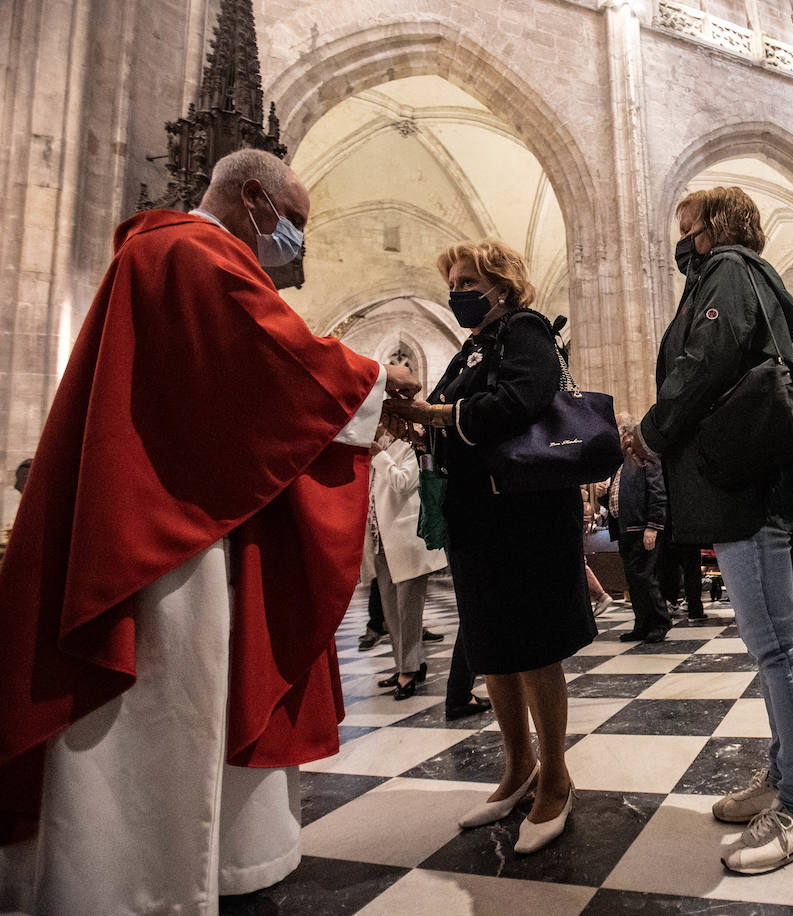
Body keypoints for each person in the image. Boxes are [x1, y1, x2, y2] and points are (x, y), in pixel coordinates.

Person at [0, 149, 421, 912]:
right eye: (292, 221)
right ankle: (138, 885)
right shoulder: (189, 253)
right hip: (165, 539)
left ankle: (196, 869)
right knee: (167, 709)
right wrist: (373, 379)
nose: (294, 240)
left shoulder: (160, 253)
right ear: (252, 197)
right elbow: (275, 359)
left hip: (177, 511)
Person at [628, 185, 793, 876]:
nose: (679, 236)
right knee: (770, 644)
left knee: (778, 644)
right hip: (743, 483)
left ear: (711, 227)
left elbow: (706, 361)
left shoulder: (729, 270)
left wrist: (652, 432)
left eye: (685, 224)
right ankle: (782, 778)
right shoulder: (734, 274)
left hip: (752, 487)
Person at [382, 238, 594, 855]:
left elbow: (521, 401)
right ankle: (517, 766)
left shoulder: (526, 330)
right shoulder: (474, 347)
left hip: (526, 511)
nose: (457, 292)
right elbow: (442, 404)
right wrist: (412, 414)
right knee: (493, 646)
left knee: (534, 644)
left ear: (501, 282)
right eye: (452, 282)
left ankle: (555, 777)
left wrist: (439, 416)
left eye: (468, 281)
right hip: (477, 512)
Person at [362, 424, 450, 699]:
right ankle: (406, 665)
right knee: (391, 613)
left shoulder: (409, 448)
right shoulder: (379, 452)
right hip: (381, 541)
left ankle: (408, 672)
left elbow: (403, 483)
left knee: (408, 611)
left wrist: (378, 455)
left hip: (406, 541)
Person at [605, 418, 671, 643]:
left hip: (642, 528)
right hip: (626, 528)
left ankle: (659, 622)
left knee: (645, 577)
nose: (620, 438)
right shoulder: (621, 463)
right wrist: (604, 496)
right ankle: (641, 624)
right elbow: (619, 500)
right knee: (634, 580)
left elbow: (657, 494)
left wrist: (653, 526)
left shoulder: (645, 460)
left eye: (623, 434)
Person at [582, 481, 615, 616]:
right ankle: (599, 596)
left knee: (576, 559)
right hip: (581, 513)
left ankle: (600, 595)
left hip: (577, 513)